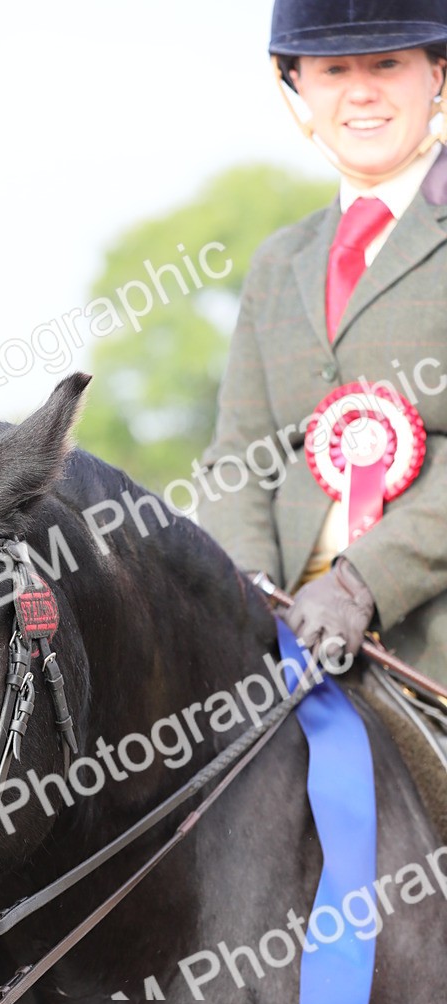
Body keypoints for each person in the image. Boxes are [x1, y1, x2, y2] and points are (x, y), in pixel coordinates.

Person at [197, 0, 447, 694]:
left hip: (428, 642)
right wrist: (248, 590)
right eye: (334, 69)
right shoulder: (280, 262)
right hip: (284, 639)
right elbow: (238, 456)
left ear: (438, 73)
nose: (360, 90)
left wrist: (363, 580)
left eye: (388, 64)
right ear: (296, 83)